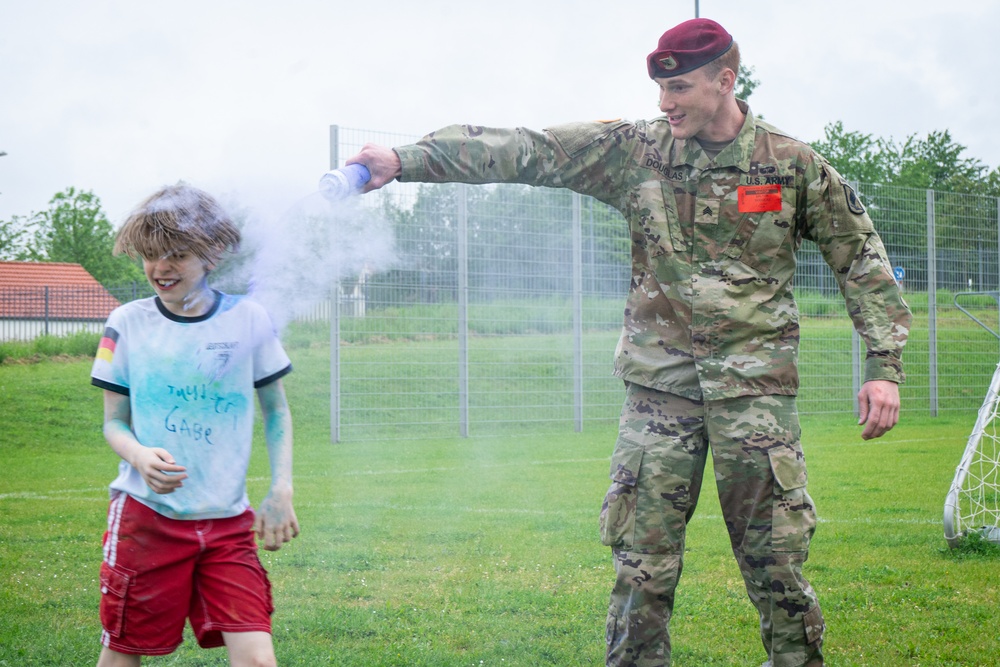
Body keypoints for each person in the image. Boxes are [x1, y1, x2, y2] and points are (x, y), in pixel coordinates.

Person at [347, 17, 911, 667]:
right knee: (640, 568)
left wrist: (883, 366)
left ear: (725, 82)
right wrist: (405, 160)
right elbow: (525, 149)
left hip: (754, 399)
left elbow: (861, 259)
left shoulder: (790, 165)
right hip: (658, 395)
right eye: (659, 89)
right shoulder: (633, 151)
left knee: (776, 561)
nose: (664, 103)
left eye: (680, 89)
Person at [90, 184, 299, 667]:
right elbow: (113, 424)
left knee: (257, 658)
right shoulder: (125, 323)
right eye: (150, 256)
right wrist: (139, 455)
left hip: (228, 523)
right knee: (124, 653)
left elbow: (276, 409)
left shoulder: (250, 319)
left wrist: (281, 487)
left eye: (176, 255)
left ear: (213, 254)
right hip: (148, 519)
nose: (160, 268)